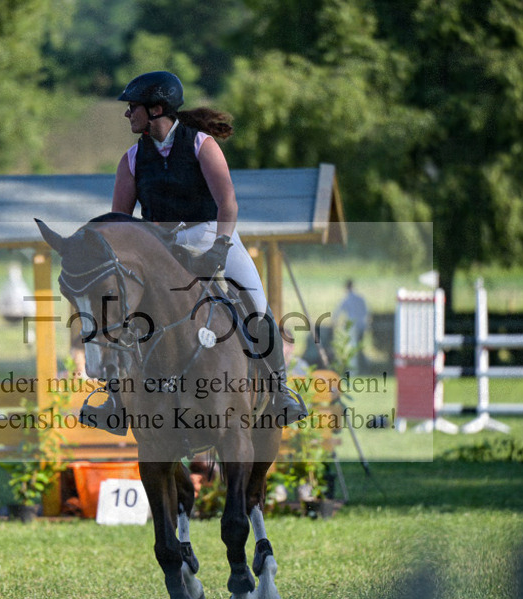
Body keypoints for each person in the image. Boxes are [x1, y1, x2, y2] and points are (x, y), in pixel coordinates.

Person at [80, 70, 307, 432]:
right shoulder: (132, 159)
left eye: (133, 107)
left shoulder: (201, 144)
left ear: (156, 109)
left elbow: (228, 203)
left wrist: (220, 247)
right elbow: (120, 221)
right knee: (122, 314)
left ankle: (280, 392)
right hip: (162, 250)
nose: (127, 113)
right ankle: (114, 402)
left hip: (212, 236)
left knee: (257, 305)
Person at [333, 279, 369, 367]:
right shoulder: (360, 298)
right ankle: (363, 366)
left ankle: (355, 367)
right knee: (360, 347)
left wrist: (334, 322)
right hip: (361, 325)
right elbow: (366, 312)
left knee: (353, 347)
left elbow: (337, 312)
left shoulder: (347, 299)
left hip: (352, 326)